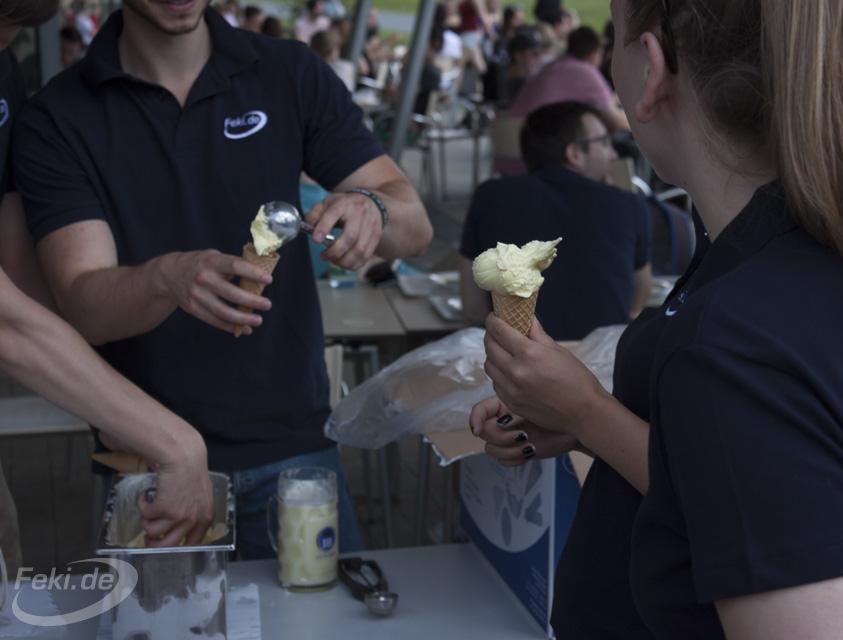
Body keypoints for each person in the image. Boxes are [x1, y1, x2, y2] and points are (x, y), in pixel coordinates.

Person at [473, 0, 843, 638]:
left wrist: (590, 414)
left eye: (617, 38)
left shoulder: (741, 348)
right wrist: (585, 420)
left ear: (650, 70)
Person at [13, 1, 432, 560]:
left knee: (322, 609)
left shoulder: (288, 71)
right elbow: (83, 304)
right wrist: (167, 278)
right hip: (149, 462)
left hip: (296, 451)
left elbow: (415, 227)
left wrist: (372, 208)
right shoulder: (58, 115)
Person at [0, 0, 213, 566]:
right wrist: (172, 441)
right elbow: (7, 323)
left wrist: (108, 408)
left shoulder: (5, 69)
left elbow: (19, 278)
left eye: (14, 26)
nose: (5, 40)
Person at [460, 101, 652, 340]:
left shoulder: (490, 197)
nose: (613, 154)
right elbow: (638, 302)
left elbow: (473, 309)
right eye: (604, 142)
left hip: (518, 356)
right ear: (575, 154)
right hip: (603, 361)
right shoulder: (630, 205)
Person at [508, 26, 629, 132]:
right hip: (525, 138)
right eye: (600, 54)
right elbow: (617, 122)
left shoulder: (560, 65)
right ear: (592, 55)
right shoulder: (585, 71)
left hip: (513, 133)